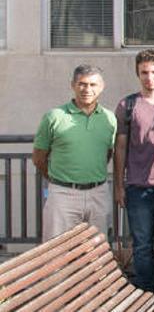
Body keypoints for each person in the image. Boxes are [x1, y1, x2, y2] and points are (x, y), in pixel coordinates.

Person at [113, 51, 154, 292]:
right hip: (139, 185)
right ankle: (148, 290)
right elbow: (120, 149)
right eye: (144, 73)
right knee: (141, 244)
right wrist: (119, 186)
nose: (149, 77)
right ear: (138, 73)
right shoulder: (127, 105)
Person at [34, 65, 116, 240]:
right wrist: (59, 179)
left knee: (98, 254)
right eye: (82, 84)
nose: (87, 89)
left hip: (98, 193)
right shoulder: (54, 116)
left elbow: (107, 154)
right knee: (57, 253)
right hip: (63, 194)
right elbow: (39, 157)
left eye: (93, 85)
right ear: (73, 85)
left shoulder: (109, 118)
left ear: (102, 87)